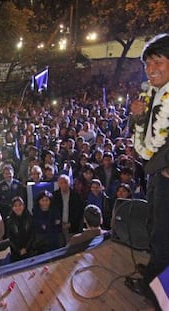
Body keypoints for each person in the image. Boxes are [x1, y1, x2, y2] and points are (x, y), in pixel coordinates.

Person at [127, 33, 169, 305]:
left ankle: (157, 294)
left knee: (165, 237)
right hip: (158, 173)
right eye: (147, 63)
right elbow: (144, 145)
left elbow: (153, 145)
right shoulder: (154, 92)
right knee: (155, 227)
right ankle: (154, 271)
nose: (151, 69)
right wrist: (138, 117)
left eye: (158, 61)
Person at [5, 196, 35, 262]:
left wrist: (26, 249)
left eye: (20, 205)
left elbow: (32, 235)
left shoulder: (29, 218)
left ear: (23, 206)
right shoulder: (9, 220)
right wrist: (18, 250)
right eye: (15, 206)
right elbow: (9, 238)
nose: (18, 207)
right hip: (15, 253)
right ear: (12, 207)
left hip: (29, 250)